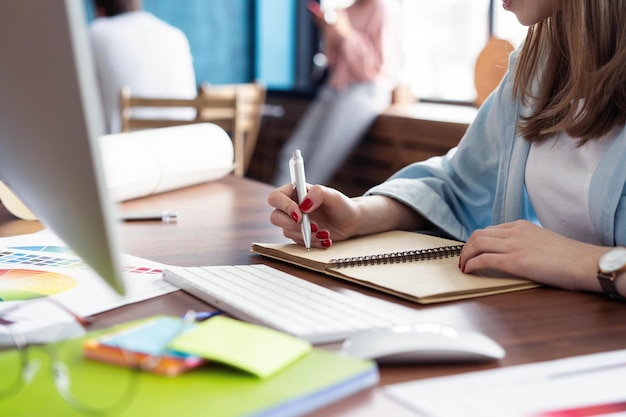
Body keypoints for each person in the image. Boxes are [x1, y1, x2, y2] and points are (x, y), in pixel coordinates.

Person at [267, 0, 626, 299]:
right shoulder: (534, 71)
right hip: (553, 331)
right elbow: (456, 184)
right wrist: (359, 215)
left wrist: (585, 262)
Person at [271, 0, 402, 186]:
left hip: (365, 90)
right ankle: (277, 207)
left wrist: (346, 32)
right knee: (292, 152)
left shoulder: (382, 8)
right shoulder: (345, 11)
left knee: (319, 161)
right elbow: (333, 62)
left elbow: (374, 70)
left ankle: (300, 210)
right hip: (335, 88)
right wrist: (328, 32)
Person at [89, 0, 197, 134]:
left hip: (127, 149)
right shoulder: (177, 37)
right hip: (187, 147)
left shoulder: (94, 34)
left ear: (99, 10)